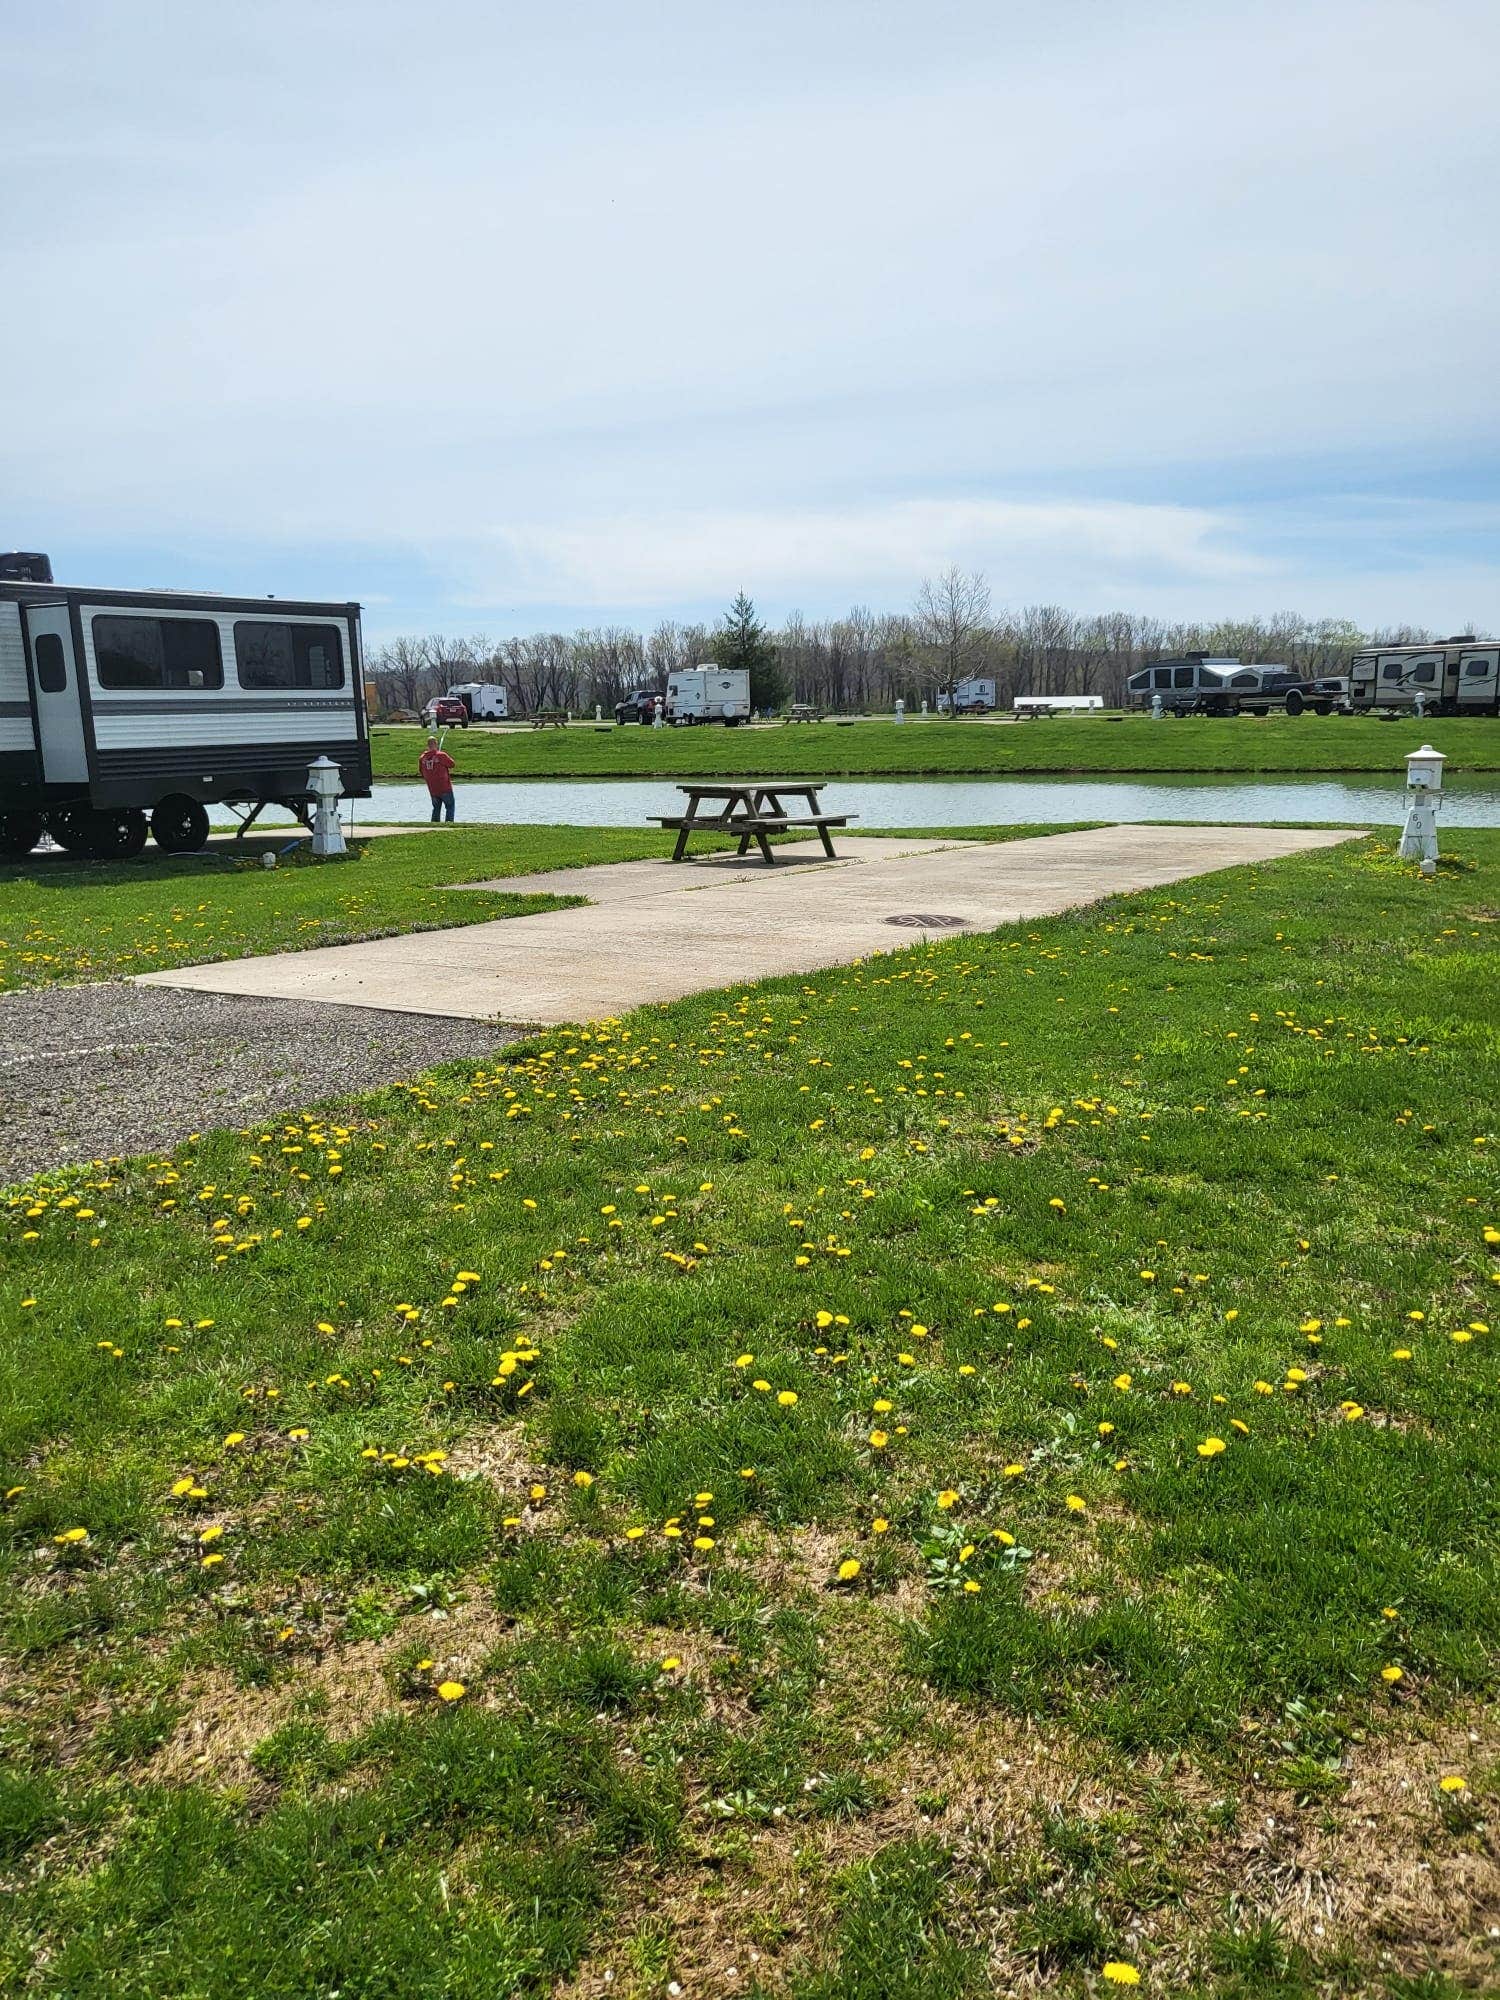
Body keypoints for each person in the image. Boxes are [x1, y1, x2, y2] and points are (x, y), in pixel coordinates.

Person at [419, 736, 456, 822]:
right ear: (436, 744)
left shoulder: (422, 758)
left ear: (428, 745)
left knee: (436, 808)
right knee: (450, 806)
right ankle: (449, 823)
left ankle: (434, 824)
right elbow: (452, 764)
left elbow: (421, 771)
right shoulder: (441, 755)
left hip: (432, 788)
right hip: (445, 787)